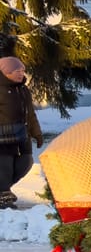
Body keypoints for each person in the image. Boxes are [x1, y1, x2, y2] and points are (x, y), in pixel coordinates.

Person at [0, 57, 43, 209]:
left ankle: (2, 190)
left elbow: (30, 114)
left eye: (23, 70)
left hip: (22, 135)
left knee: (26, 162)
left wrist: (37, 133)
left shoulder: (23, 90)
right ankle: (4, 195)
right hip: (3, 136)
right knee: (5, 166)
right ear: (6, 72)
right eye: (17, 71)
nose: (21, 74)